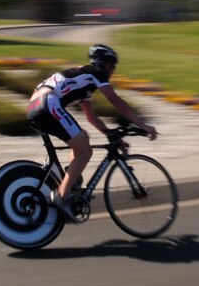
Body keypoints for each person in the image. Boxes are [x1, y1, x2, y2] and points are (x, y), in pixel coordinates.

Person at [26, 43, 157, 222]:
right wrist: (143, 125)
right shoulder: (96, 73)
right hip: (47, 103)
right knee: (86, 151)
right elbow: (116, 101)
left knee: (82, 138)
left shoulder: (85, 80)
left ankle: (71, 181)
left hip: (37, 105)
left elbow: (92, 117)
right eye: (113, 67)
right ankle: (61, 197)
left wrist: (110, 134)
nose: (112, 72)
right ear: (106, 64)